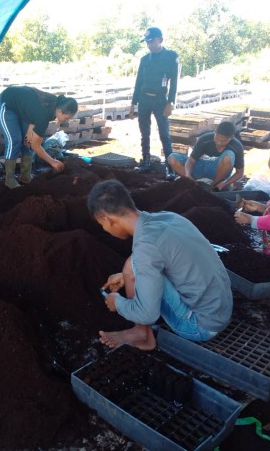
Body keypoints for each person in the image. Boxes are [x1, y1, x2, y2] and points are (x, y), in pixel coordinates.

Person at [87, 179, 232, 350]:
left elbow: (147, 314)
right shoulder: (170, 218)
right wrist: (128, 274)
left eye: (101, 224)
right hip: (222, 311)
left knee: (132, 267)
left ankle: (141, 334)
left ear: (107, 219)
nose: (104, 228)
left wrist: (117, 302)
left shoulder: (146, 246)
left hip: (200, 326)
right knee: (133, 265)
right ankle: (141, 329)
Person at [0, 85, 78, 189]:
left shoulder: (55, 106)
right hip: (7, 103)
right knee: (15, 140)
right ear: (60, 112)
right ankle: (9, 179)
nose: (66, 121)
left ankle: (25, 176)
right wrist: (52, 162)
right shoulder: (44, 115)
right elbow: (36, 146)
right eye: (66, 118)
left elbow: (32, 113)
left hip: (23, 107)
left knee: (27, 141)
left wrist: (30, 130)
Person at [129, 27, 179, 179]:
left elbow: (174, 82)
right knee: (145, 133)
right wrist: (133, 103)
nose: (148, 45)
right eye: (147, 42)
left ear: (160, 40)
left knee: (164, 134)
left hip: (160, 101)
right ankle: (145, 162)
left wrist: (170, 102)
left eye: (151, 41)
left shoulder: (171, 57)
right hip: (144, 99)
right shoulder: (144, 60)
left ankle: (170, 167)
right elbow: (138, 82)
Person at [168, 121, 245, 191]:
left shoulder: (237, 147)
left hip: (218, 172)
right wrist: (187, 174)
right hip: (200, 166)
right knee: (172, 158)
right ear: (215, 132)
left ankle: (213, 185)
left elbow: (239, 173)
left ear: (231, 138)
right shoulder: (205, 139)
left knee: (229, 155)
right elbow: (191, 161)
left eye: (223, 141)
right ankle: (193, 183)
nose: (219, 142)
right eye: (217, 138)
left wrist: (224, 183)